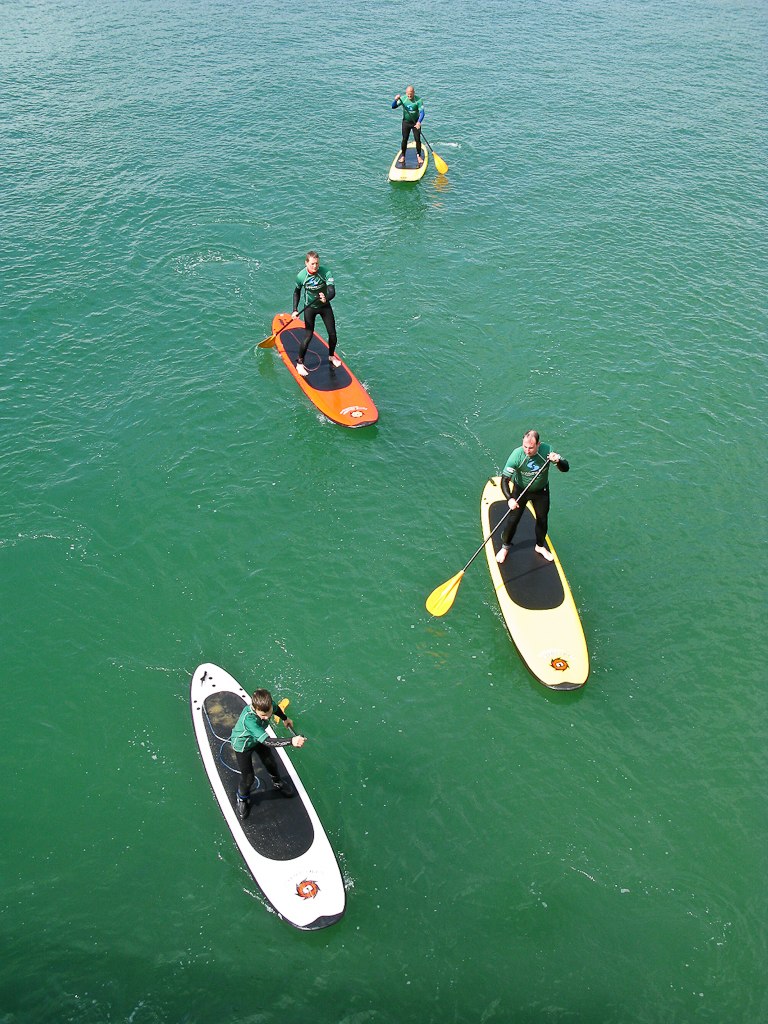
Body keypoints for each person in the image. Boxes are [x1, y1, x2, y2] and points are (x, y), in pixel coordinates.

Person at [495, 430, 570, 565]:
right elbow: (505, 479)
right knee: (513, 520)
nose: (527, 450)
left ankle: (540, 546)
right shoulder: (516, 455)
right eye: (525, 446)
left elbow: (565, 468)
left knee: (542, 519)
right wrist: (510, 498)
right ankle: (505, 547)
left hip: (541, 491)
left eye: (531, 447)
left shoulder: (547, 451)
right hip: (521, 491)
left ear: (538, 444)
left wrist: (558, 460)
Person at [230, 688, 306, 819]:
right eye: (262, 716)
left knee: (270, 762)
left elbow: (276, 709)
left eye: (268, 714)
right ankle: (242, 798)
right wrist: (291, 741)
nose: (266, 717)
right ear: (254, 708)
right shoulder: (249, 720)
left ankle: (278, 782)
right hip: (243, 746)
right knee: (248, 779)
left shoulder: (269, 705)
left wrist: (285, 718)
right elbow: (268, 741)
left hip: (257, 740)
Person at [292, 250, 339, 378]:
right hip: (310, 308)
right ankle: (299, 364)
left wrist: (326, 298)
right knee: (308, 335)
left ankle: (331, 356)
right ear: (306, 263)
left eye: (317, 263)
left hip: (324, 306)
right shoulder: (301, 276)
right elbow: (296, 292)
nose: (315, 266)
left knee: (332, 334)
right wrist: (295, 309)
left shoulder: (325, 272)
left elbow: (332, 291)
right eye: (312, 264)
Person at [391, 85, 425, 167]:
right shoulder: (403, 99)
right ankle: (403, 156)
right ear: (406, 93)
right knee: (404, 139)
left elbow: (422, 113)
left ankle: (419, 156)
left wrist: (419, 122)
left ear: (414, 93)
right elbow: (393, 106)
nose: (409, 96)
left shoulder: (418, 100)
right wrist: (395, 100)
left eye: (411, 94)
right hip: (406, 122)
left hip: (415, 123)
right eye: (408, 94)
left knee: (417, 139)